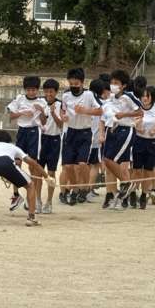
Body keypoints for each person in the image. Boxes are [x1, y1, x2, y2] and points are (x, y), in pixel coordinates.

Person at [0, 130, 54, 226]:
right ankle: (31, 217)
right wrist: (47, 177)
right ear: (9, 140)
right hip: (7, 163)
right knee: (30, 185)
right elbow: (33, 163)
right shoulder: (13, 147)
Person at [99, 70, 143, 210]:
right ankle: (116, 194)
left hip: (125, 130)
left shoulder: (128, 96)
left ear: (123, 85)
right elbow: (104, 115)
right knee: (108, 161)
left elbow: (140, 111)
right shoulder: (111, 98)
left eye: (116, 83)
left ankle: (126, 183)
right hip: (113, 130)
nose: (113, 85)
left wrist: (124, 114)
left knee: (110, 160)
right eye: (112, 82)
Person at [61, 68, 103, 205]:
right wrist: (63, 117)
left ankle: (84, 188)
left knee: (82, 164)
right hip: (70, 132)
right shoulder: (66, 95)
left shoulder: (89, 95)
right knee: (68, 166)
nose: (73, 86)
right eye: (71, 84)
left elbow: (100, 111)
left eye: (76, 84)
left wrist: (85, 110)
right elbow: (62, 111)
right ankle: (74, 189)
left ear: (82, 82)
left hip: (85, 133)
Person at [7, 76, 47, 212]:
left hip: (34, 132)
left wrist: (41, 111)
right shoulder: (19, 99)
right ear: (25, 89)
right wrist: (22, 112)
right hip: (22, 132)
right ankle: (16, 194)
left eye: (33, 90)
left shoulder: (41, 101)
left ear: (37, 90)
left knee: (33, 165)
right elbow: (11, 116)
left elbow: (44, 121)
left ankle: (34, 198)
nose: (31, 92)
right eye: (29, 90)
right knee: (16, 163)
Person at [133, 86, 155, 209]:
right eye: (143, 96)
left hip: (152, 142)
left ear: (152, 97)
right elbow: (132, 121)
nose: (145, 98)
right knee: (136, 170)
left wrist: (154, 131)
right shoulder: (137, 108)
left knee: (148, 170)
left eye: (147, 96)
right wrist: (137, 128)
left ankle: (144, 195)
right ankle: (133, 193)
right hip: (138, 140)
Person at [38, 79, 63, 214]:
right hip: (42, 140)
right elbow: (42, 122)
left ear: (56, 92)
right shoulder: (41, 103)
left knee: (51, 172)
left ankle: (49, 201)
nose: (48, 94)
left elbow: (61, 125)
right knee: (38, 172)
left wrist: (53, 113)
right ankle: (37, 200)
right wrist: (42, 112)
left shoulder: (60, 105)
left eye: (51, 91)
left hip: (54, 140)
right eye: (46, 91)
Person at [86, 79, 110, 203]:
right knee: (94, 165)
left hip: (83, 135)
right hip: (95, 138)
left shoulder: (85, 100)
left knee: (85, 164)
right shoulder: (103, 104)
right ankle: (88, 190)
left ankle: (79, 189)